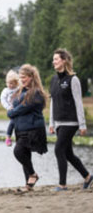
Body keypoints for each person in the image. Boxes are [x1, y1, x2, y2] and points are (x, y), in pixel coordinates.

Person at [49, 48, 93, 191]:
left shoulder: (73, 79)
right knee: (68, 153)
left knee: (58, 149)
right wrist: (51, 123)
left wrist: (82, 124)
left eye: (56, 59)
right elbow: (52, 102)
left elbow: (78, 102)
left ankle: (62, 184)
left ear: (64, 61)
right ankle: (87, 176)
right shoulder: (54, 80)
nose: (53, 62)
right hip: (59, 122)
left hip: (71, 121)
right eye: (53, 59)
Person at [7, 64, 48, 191]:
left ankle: (32, 175)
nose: (21, 80)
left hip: (33, 129)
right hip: (21, 129)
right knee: (25, 155)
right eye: (20, 77)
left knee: (18, 151)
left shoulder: (36, 93)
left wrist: (11, 112)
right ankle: (28, 185)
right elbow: (15, 109)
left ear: (31, 77)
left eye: (24, 77)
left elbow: (18, 110)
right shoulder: (21, 91)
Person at [0, 70, 19, 146]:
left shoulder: (18, 88)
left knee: (19, 125)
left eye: (11, 83)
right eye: (8, 83)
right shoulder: (5, 91)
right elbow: (3, 100)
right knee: (12, 123)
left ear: (16, 83)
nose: (9, 85)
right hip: (11, 109)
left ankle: (19, 139)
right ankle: (8, 137)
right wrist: (8, 107)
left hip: (19, 108)